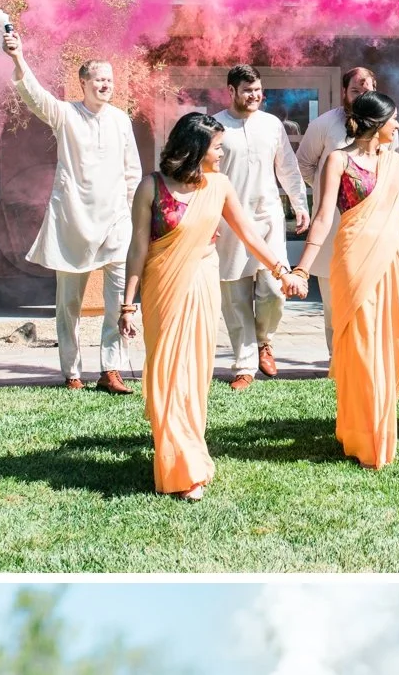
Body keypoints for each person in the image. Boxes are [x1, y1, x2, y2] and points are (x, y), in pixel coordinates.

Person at [120, 112, 302, 501]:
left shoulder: (218, 186)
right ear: (197, 148)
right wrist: (127, 304)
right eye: (218, 147)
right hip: (162, 291)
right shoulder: (151, 187)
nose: (222, 153)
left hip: (202, 285)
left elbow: (250, 235)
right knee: (167, 374)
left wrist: (281, 271)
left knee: (193, 373)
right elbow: (137, 248)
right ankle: (177, 455)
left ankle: (188, 465)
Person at [293, 91, 399, 469]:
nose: (398, 126)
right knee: (362, 349)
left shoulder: (396, 163)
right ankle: (365, 435)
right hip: (352, 261)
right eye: (393, 119)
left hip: (393, 260)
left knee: (395, 345)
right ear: (377, 124)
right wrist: (302, 267)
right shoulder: (338, 160)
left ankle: (377, 420)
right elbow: (324, 217)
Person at [4, 31, 142, 394]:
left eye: (110, 80)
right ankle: (72, 373)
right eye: (99, 80)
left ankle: (111, 370)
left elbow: (133, 172)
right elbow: (35, 97)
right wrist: (18, 57)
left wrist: (133, 214)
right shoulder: (65, 114)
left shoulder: (120, 120)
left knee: (117, 302)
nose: (106, 85)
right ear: (83, 83)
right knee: (69, 306)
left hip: (116, 223)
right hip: (72, 222)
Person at [215, 65, 311, 392]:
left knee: (273, 290)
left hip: (268, 220)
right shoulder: (216, 126)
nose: (254, 95)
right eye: (247, 90)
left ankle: (264, 340)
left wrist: (300, 204)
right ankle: (244, 366)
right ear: (230, 91)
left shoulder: (272, 125)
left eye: (258, 90)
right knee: (235, 297)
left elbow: (287, 166)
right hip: (227, 223)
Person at [295, 66, 382, 353]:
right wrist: (330, 189)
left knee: (370, 293)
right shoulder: (323, 124)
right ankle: (337, 359)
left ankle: (366, 354)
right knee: (334, 298)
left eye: (366, 90)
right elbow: (304, 164)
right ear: (344, 92)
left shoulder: (385, 125)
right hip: (331, 223)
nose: (360, 96)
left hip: (371, 224)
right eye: (355, 90)